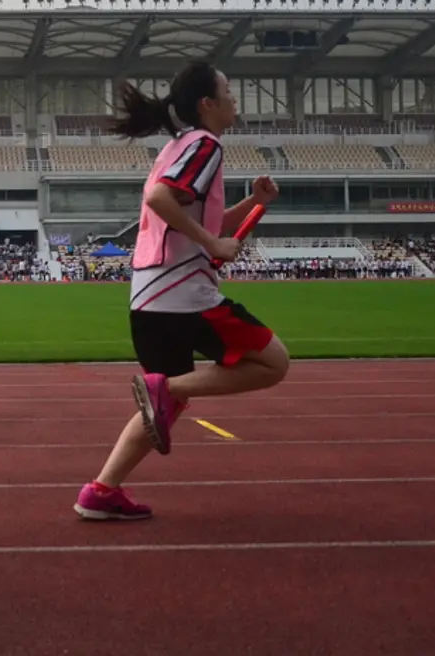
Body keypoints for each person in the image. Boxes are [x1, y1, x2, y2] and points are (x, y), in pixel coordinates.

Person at [73, 61, 289, 522]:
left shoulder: (179, 146)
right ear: (206, 104)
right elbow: (161, 202)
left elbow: (202, 222)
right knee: (273, 362)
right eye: (228, 92)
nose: (235, 100)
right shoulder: (205, 145)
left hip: (149, 298)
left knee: (166, 404)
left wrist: (253, 204)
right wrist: (213, 244)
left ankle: (101, 490)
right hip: (182, 296)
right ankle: (161, 389)